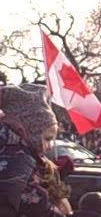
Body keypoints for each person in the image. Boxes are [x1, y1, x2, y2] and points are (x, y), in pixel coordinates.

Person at [0, 84, 71, 216]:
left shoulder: (21, 158)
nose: (50, 146)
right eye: (47, 138)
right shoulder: (17, 160)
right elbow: (39, 208)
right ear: (30, 132)